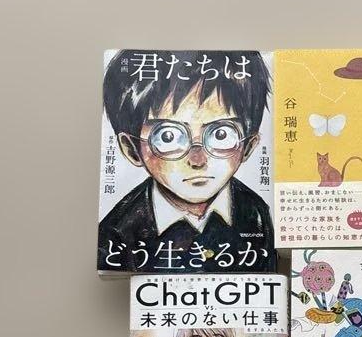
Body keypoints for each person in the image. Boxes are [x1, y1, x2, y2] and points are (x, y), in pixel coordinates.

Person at [99, 50, 273, 271]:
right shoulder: (117, 232)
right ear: (132, 149)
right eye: (168, 137)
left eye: (221, 135)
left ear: (248, 146)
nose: (197, 160)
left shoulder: (258, 214)